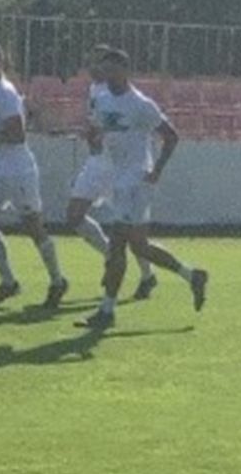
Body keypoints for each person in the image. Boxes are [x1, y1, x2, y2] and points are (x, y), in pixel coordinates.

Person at [74, 48, 209, 331]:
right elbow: (99, 133)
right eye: (105, 69)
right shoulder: (102, 99)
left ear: (125, 71)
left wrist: (156, 170)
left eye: (113, 69)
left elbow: (171, 136)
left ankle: (106, 311)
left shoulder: (141, 104)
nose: (108, 74)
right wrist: (93, 139)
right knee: (139, 246)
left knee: (117, 243)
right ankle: (192, 275)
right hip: (118, 178)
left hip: (136, 180)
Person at [0, 41, 68, 310]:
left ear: (0, 63)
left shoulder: (6, 93)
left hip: (18, 169)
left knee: (33, 226)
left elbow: (17, 135)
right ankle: (8, 281)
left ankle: (57, 279)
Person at [64, 44, 157, 298]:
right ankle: (111, 257)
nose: (96, 67)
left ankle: (147, 275)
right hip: (97, 162)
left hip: (120, 166)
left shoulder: (122, 94)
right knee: (74, 215)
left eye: (101, 63)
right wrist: (91, 138)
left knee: (131, 230)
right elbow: (97, 126)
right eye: (93, 62)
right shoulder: (96, 90)